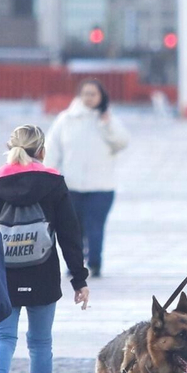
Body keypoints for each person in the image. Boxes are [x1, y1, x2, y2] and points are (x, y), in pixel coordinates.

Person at [0, 124, 91, 373]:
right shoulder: (53, 184)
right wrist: (79, 279)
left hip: (4, 277)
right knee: (40, 343)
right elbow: (70, 234)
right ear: (42, 151)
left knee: (3, 337)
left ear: (9, 148)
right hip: (43, 274)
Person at [47, 79, 129, 278]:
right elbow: (52, 149)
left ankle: (95, 263)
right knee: (74, 230)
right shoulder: (66, 119)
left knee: (95, 226)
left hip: (102, 186)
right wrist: (49, 176)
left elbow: (121, 143)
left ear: (101, 96)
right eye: (86, 93)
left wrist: (106, 124)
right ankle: (76, 264)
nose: (89, 98)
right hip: (72, 186)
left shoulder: (108, 120)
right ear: (79, 95)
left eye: (94, 94)